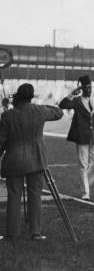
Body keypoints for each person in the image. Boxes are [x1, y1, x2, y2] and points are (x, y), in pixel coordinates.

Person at [0, 83, 63, 240]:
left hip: (14, 160)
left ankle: (12, 234)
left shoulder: (7, 115)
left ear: (18, 97)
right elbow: (59, 112)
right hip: (36, 159)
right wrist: (38, 104)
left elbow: (1, 141)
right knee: (35, 195)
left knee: (14, 196)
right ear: (31, 97)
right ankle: (35, 233)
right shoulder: (39, 110)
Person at [59, 75, 94, 200]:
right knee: (83, 165)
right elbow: (62, 105)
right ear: (82, 88)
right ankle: (85, 192)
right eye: (86, 88)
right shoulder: (77, 101)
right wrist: (73, 93)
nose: (89, 90)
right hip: (81, 137)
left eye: (90, 87)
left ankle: (85, 184)